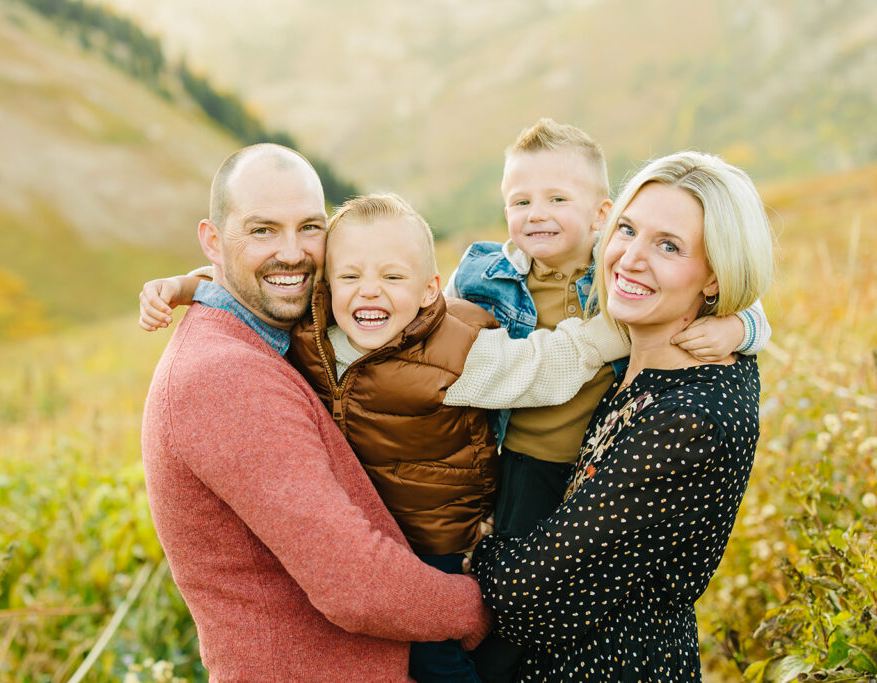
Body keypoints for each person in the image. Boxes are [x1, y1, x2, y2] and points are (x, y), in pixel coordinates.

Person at [141, 143, 629, 681]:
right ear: (213, 241)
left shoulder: (304, 323)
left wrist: (724, 324)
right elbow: (353, 585)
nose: (292, 252)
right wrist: (483, 604)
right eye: (262, 230)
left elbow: (538, 363)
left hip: (429, 556)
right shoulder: (225, 376)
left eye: (309, 227)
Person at [443, 120, 770, 679]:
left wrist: (477, 548)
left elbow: (533, 590)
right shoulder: (646, 354)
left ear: (715, 275)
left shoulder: (690, 411)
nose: (630, 259)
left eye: (667, 245)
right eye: (628, 232)